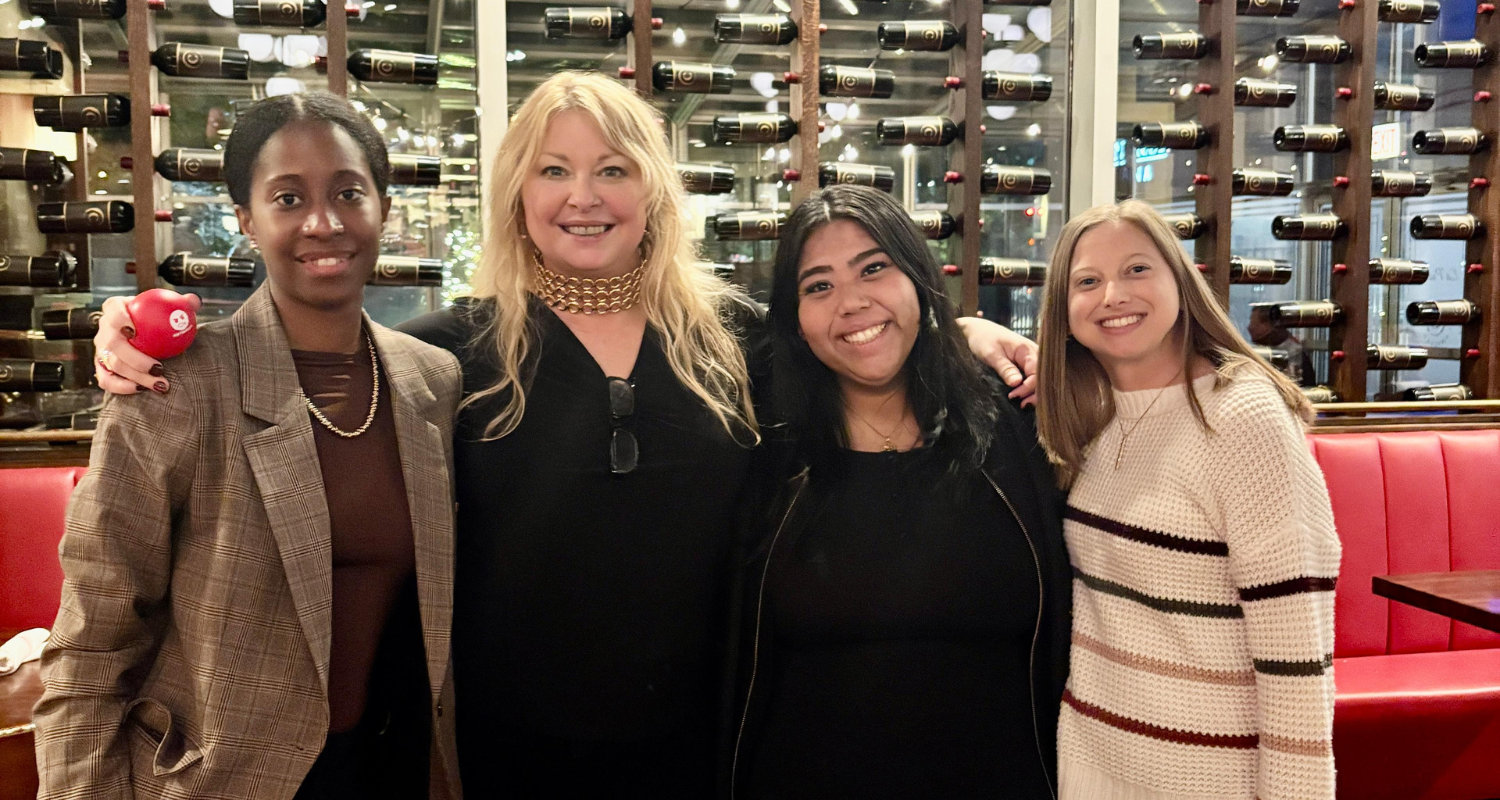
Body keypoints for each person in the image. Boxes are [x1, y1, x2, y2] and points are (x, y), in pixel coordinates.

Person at [83, 72, 1042, 794]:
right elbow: (275, 375)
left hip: (708, 758)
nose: (584, 195)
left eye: (612, 169)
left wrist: (963, 330)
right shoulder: (442, 358)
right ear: (517, 197)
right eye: (554, 170)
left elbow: (862, 335)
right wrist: (134, 336)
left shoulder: (745, 344)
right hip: (498, 764)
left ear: (653, 191)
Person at [33, 93, 463, 799]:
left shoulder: (431, 380)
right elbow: (92, 640)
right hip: (217, 778)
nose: (323, 222)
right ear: (246, 220)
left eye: (349, 193)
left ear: (382, 208)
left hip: (389, 767)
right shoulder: (178, 387)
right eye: (288, 198)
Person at [729, 185, 1071, 799]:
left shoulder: (1012, 428)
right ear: (795, 319)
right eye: (818, 286)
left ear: (918, 280)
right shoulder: (760, 450)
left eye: (874, 269)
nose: (852, 303)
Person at [1035, 201, 1339, 799]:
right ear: (1064, 313)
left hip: (1205, 776)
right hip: (1090, 757)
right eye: (1087, 281)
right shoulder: (1085, 417)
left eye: (1137, 270)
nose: (1113, 295)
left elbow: (1296, 653)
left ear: (1181, 281)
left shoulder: (1242, 415)